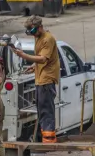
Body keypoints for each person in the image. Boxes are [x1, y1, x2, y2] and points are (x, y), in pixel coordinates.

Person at [12, 15, 60, 144]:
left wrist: (24, 55)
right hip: (40, 78)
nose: (31, 34)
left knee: (46, 109)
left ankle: (49, 140)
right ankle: (46, 138)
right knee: (41, 108)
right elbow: (41, 57)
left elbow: (44, 59)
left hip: (46, 79)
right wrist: (34, 66)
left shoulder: (47, 39)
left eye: (33, 31)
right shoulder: (38, 37)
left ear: (40, 27)